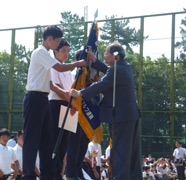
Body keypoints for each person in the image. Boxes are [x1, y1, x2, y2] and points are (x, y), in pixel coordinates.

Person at [70, 42, 142, 180]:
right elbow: (110, 72)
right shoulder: (124, 66)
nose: (105, 55)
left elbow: (102, 84)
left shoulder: (117, 70)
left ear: (116, 56)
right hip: (130, 115)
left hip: (121, 117)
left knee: (120, 152)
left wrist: (80, 93)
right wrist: (96, 62)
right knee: (132, 153)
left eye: (107, 53)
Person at [22, 25, 86, 180]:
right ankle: (29, 174)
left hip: (43, 99)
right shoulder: (41, 52)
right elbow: (60, 68)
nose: (58, 45)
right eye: (57, 42)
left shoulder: (47, 55)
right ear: (49, 39)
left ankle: (48, 174)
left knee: (48, 141)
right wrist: (79, 63)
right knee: (32, 139)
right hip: (35, 98)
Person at [48, 39, 77, 180]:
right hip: (58, 105)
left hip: (70, 106)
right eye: (63, 50)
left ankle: (59, 173)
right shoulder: (54, 67)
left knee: (65, 143)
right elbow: (57, 88)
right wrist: (71, 103)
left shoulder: (68, 70)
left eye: (68, 50)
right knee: (56, 142)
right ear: (55, 51)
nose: (66, 53)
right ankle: (53, 174)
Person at [65, 50, 90, 180]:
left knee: (83, 144)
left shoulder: (90, 76)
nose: (89, 62)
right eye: (87, 59)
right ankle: (70, 173)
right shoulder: (72, 74)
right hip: (72, 111)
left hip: (86, 114)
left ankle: (77, 170)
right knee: (73, 144)